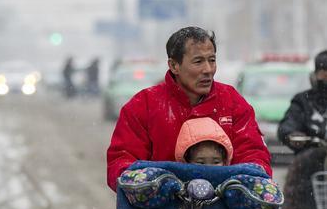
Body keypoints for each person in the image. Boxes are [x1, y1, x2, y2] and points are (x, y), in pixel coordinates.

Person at [106, 26, 272, 192]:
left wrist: (246, 183)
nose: (208, 69)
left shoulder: (231, 101)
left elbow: (254, 154)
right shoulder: (144, 105)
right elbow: (122, 160)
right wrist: (149, 186)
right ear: (174, 65)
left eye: (212, 60)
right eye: (198, 61)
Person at [278, 49, 327, 209]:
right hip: (309, 173)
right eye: (323, 71)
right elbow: (287, 126)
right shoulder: (303, 101)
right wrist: (293, 136)